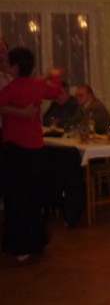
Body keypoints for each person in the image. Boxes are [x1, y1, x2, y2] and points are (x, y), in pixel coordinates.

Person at [0, 47, 62, 265]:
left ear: (15, 67)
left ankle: (21, 247)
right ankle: (35, 242)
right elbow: (55, 91)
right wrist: (55, 75)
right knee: (32, 197)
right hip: (36, 148)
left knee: (17, 199)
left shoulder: (12, 87)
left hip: (17, 150)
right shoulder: (36, 85)